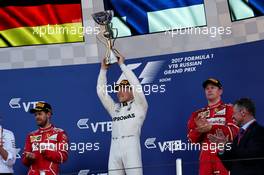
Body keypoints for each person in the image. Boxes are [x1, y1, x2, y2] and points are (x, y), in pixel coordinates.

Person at [97, 50, 148, 175]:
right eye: (118, 89)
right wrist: (103, 70)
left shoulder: (140, 106)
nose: (120, 92)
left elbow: (137, 86)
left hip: (131, 146)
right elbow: (101, 93)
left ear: (131, 90)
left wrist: (122, 65)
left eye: (124, 88)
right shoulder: (115, 109)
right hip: (114, 147)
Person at [187, 78, 239, 175]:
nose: (209, 90)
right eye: (207, 88)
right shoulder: (197, 114)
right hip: (205, 157)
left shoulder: (230, 109)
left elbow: (235, 132)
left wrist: (211, 127)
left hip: (223, 155)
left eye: (212, 87)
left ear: (220, 91)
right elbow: (191, 139)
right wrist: (199, 130)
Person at [214, 98, 264, 175]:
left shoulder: (259, 132)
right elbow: (231, 165)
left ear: (243, 113)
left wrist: (227, 144)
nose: (232, 117)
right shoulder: (239, 135)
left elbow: (250, 157)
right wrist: (222, 148)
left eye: (234, 113)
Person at [22, 102, 69, 175]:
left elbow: (63, 157)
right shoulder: (31, 135)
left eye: (40, 114)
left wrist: (45, 152)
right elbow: (24, 162)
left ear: (48, 114)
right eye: (35, 115)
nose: (37, 117)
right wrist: (28, 158)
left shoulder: (59, 133)